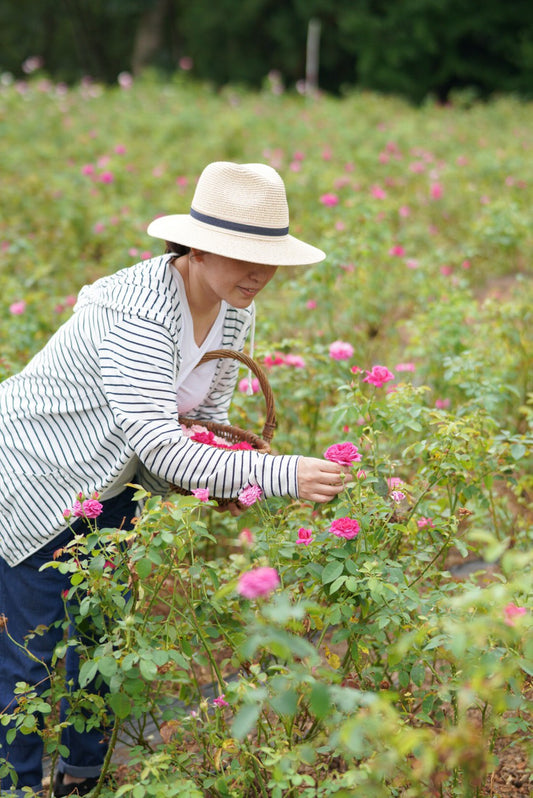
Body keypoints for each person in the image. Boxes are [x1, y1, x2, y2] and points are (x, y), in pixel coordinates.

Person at [0, 161, 348, 796]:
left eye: (269, 256)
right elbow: (162, 444)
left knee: (107, 631)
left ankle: (84, 773)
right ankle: (15, 786)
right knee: (31, 656)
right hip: (38, 478)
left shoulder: (235, 313)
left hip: (110, 482)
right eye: (245, 255)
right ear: (197, 244)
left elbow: (201, 420)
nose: (260, 272)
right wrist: (277, 474)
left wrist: (227, 476)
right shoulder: (135, 308)